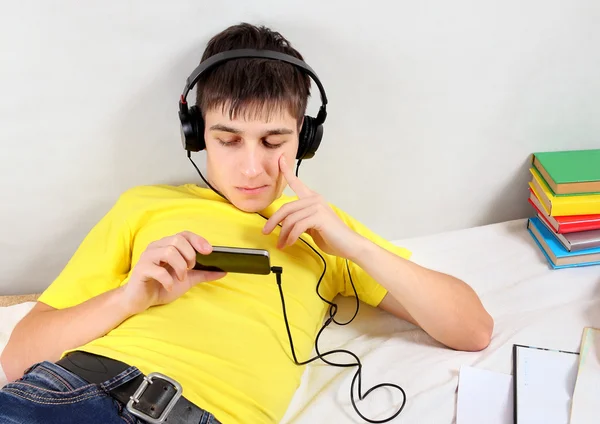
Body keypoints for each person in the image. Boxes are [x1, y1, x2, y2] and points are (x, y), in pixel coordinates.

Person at [0, 22, 493, 424]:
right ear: (197, 135)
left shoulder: (326, 231)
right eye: (229, 140)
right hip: (73, 393)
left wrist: (357, 249)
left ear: (305, 138)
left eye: (274, 141)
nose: (252, 168)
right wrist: (131, 296)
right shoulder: (142, 206)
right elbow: (17, 356)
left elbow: (473, 329)